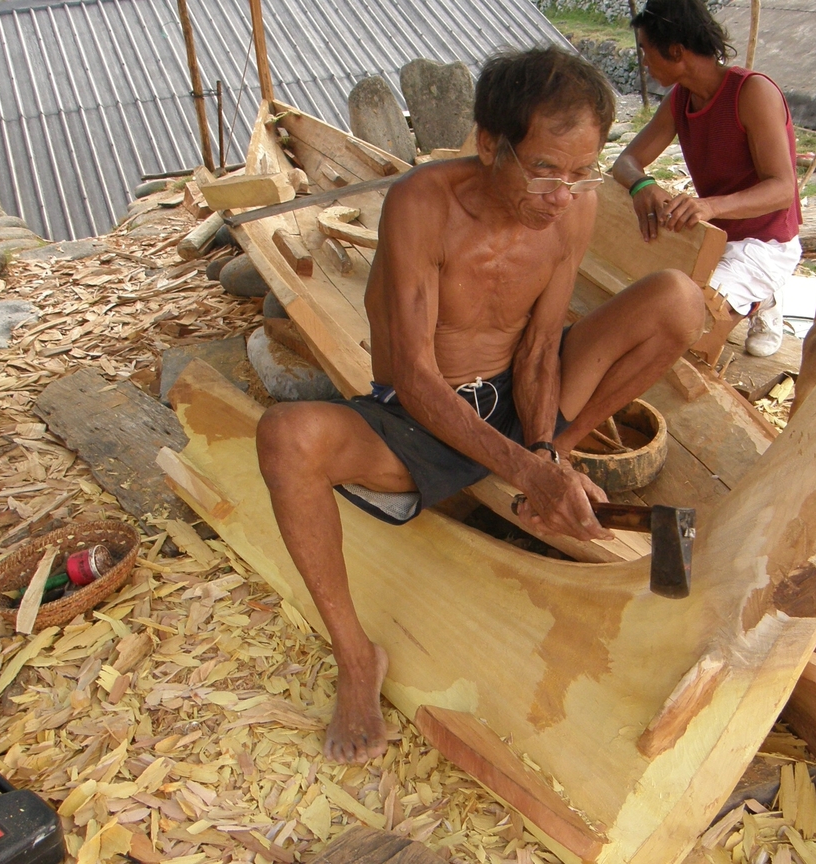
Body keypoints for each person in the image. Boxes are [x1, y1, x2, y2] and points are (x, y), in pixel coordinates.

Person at [255, 47, 705, 764]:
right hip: (419, 416)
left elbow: (535, 350)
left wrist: (548, 452)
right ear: (491, 145)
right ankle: (355, 659)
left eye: (581, 173)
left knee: (679, 301)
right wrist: (525, 474)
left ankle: (564, 458)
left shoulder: (573, 211)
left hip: (521, 403)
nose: (563, 194)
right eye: (545, 170)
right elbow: (413, 372)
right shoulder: (422, 204)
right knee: (285, 437)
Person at [612, 0, 802, 359]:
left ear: (676, 51)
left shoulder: (752, 92)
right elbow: (626, 162)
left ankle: (760, 296)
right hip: (710, 237)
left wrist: (710, 205)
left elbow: (782, 188)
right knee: (649, 300)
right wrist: (643, 185)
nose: (644, 62)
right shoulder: (680, 100)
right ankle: (756, 296)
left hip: (767, 243)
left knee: (693, 326)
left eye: (646, 51)